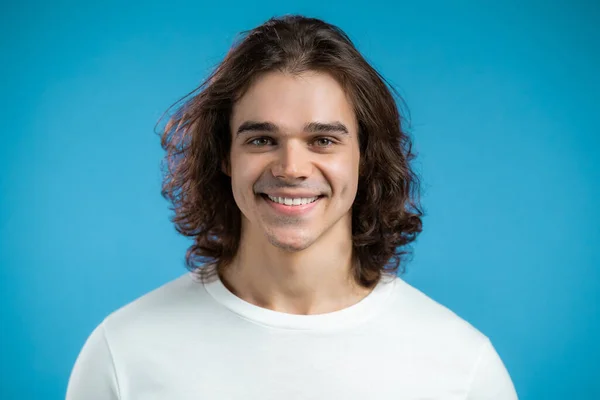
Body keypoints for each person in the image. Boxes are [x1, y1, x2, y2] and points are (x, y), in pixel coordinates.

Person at [66, 15, 518, 399]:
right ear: (225, 155)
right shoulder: (123, 354)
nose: (291, 167)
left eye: (323, 140)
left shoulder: (463, 370)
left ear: (366, 155)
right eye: (262, 140)